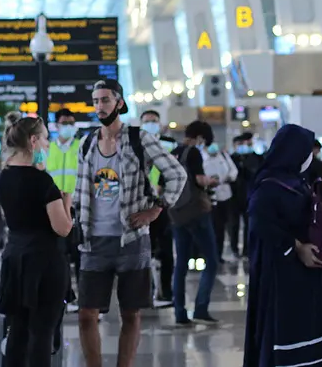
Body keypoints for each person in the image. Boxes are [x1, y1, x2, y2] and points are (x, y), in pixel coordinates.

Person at [73, 80, 187, 367]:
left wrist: (157, 210)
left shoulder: (139, 139)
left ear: (120, 103)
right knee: (86, 313)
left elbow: (177, 174)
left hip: (132, 238)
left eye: (106, 100)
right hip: (93, 239)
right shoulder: (86, 142)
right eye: (96, 100)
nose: (100, 106)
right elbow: (80, 190)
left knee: (131, 313)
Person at [243, 124, 322, 367]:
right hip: (284, 274)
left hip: (308, 275)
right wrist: (295, 246)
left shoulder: (297, 181)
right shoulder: (269, 185)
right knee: (288, 332)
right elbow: (259, 223)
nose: (310, 157)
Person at [0, 112, 73, 367]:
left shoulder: (4, 176)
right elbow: (62, 228)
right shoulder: (43, 182)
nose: (48, 145)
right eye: (45, 140)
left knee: (17, 330)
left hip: (15, 259)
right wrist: (67, 204)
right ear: (33, 141)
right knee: (42, 333)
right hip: (44, 263)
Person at [171, 121, 221, 325]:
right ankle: (201, 308)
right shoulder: (193, 153)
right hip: (196, 212)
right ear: (200, 137)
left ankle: (180, 313)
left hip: (176, 213)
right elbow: (200, 180)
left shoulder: (173, 152)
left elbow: (160, 185)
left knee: (181, 263)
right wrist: (213, 180)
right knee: (212, 260)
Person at [47, 108, 83, 310]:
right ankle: (67, 296)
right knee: (60, 254)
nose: (68, 126)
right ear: (57, 125)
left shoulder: (81, 147)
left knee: (80, 253)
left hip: (78, 207)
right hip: (55, 208)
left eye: (71, 122)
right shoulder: (49, 149)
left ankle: (83, 296)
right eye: (64, 123)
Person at [140, 109, 176, 305]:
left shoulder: (169, 144)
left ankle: (166, 291)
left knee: (166, 251)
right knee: (144, 252)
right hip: (142, 205)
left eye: (153, 121)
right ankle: (147, 293)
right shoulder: (135, 145)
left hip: (163, 205)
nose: (150, 124)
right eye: (147, 121)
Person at [203, 135, 239, 261]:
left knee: (225, 226)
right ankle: (212, 254)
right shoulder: (203, 158)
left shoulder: (224, 157)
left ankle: (220, 254)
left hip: (226, 194)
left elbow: (234, 171)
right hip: (211, 196)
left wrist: (229, 177)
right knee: (214, 227)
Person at [229, 133, 263, 260]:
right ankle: (234, 249)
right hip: (234, 196)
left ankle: (247, 250)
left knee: (249, 224)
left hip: (250, 195)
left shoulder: (257, 158)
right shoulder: (232, 158)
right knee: (234, 224)